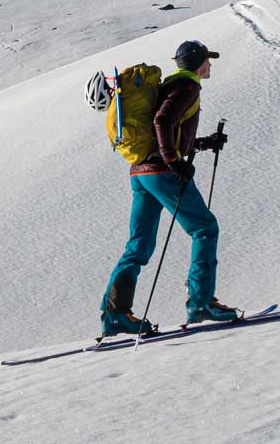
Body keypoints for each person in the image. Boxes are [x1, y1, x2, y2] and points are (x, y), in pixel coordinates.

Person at [98, 39, 235, 336]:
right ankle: (200, 303)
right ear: (199, 62)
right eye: (208, 60)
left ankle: (115, 313)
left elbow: (165, 128)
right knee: (204, 228)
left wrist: (201, 143)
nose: (210, 64)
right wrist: (174, 161)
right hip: (162, 170)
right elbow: (162, 121)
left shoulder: (171, 85)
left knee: (139, 245)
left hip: (141, 172)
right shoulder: (188, 86)